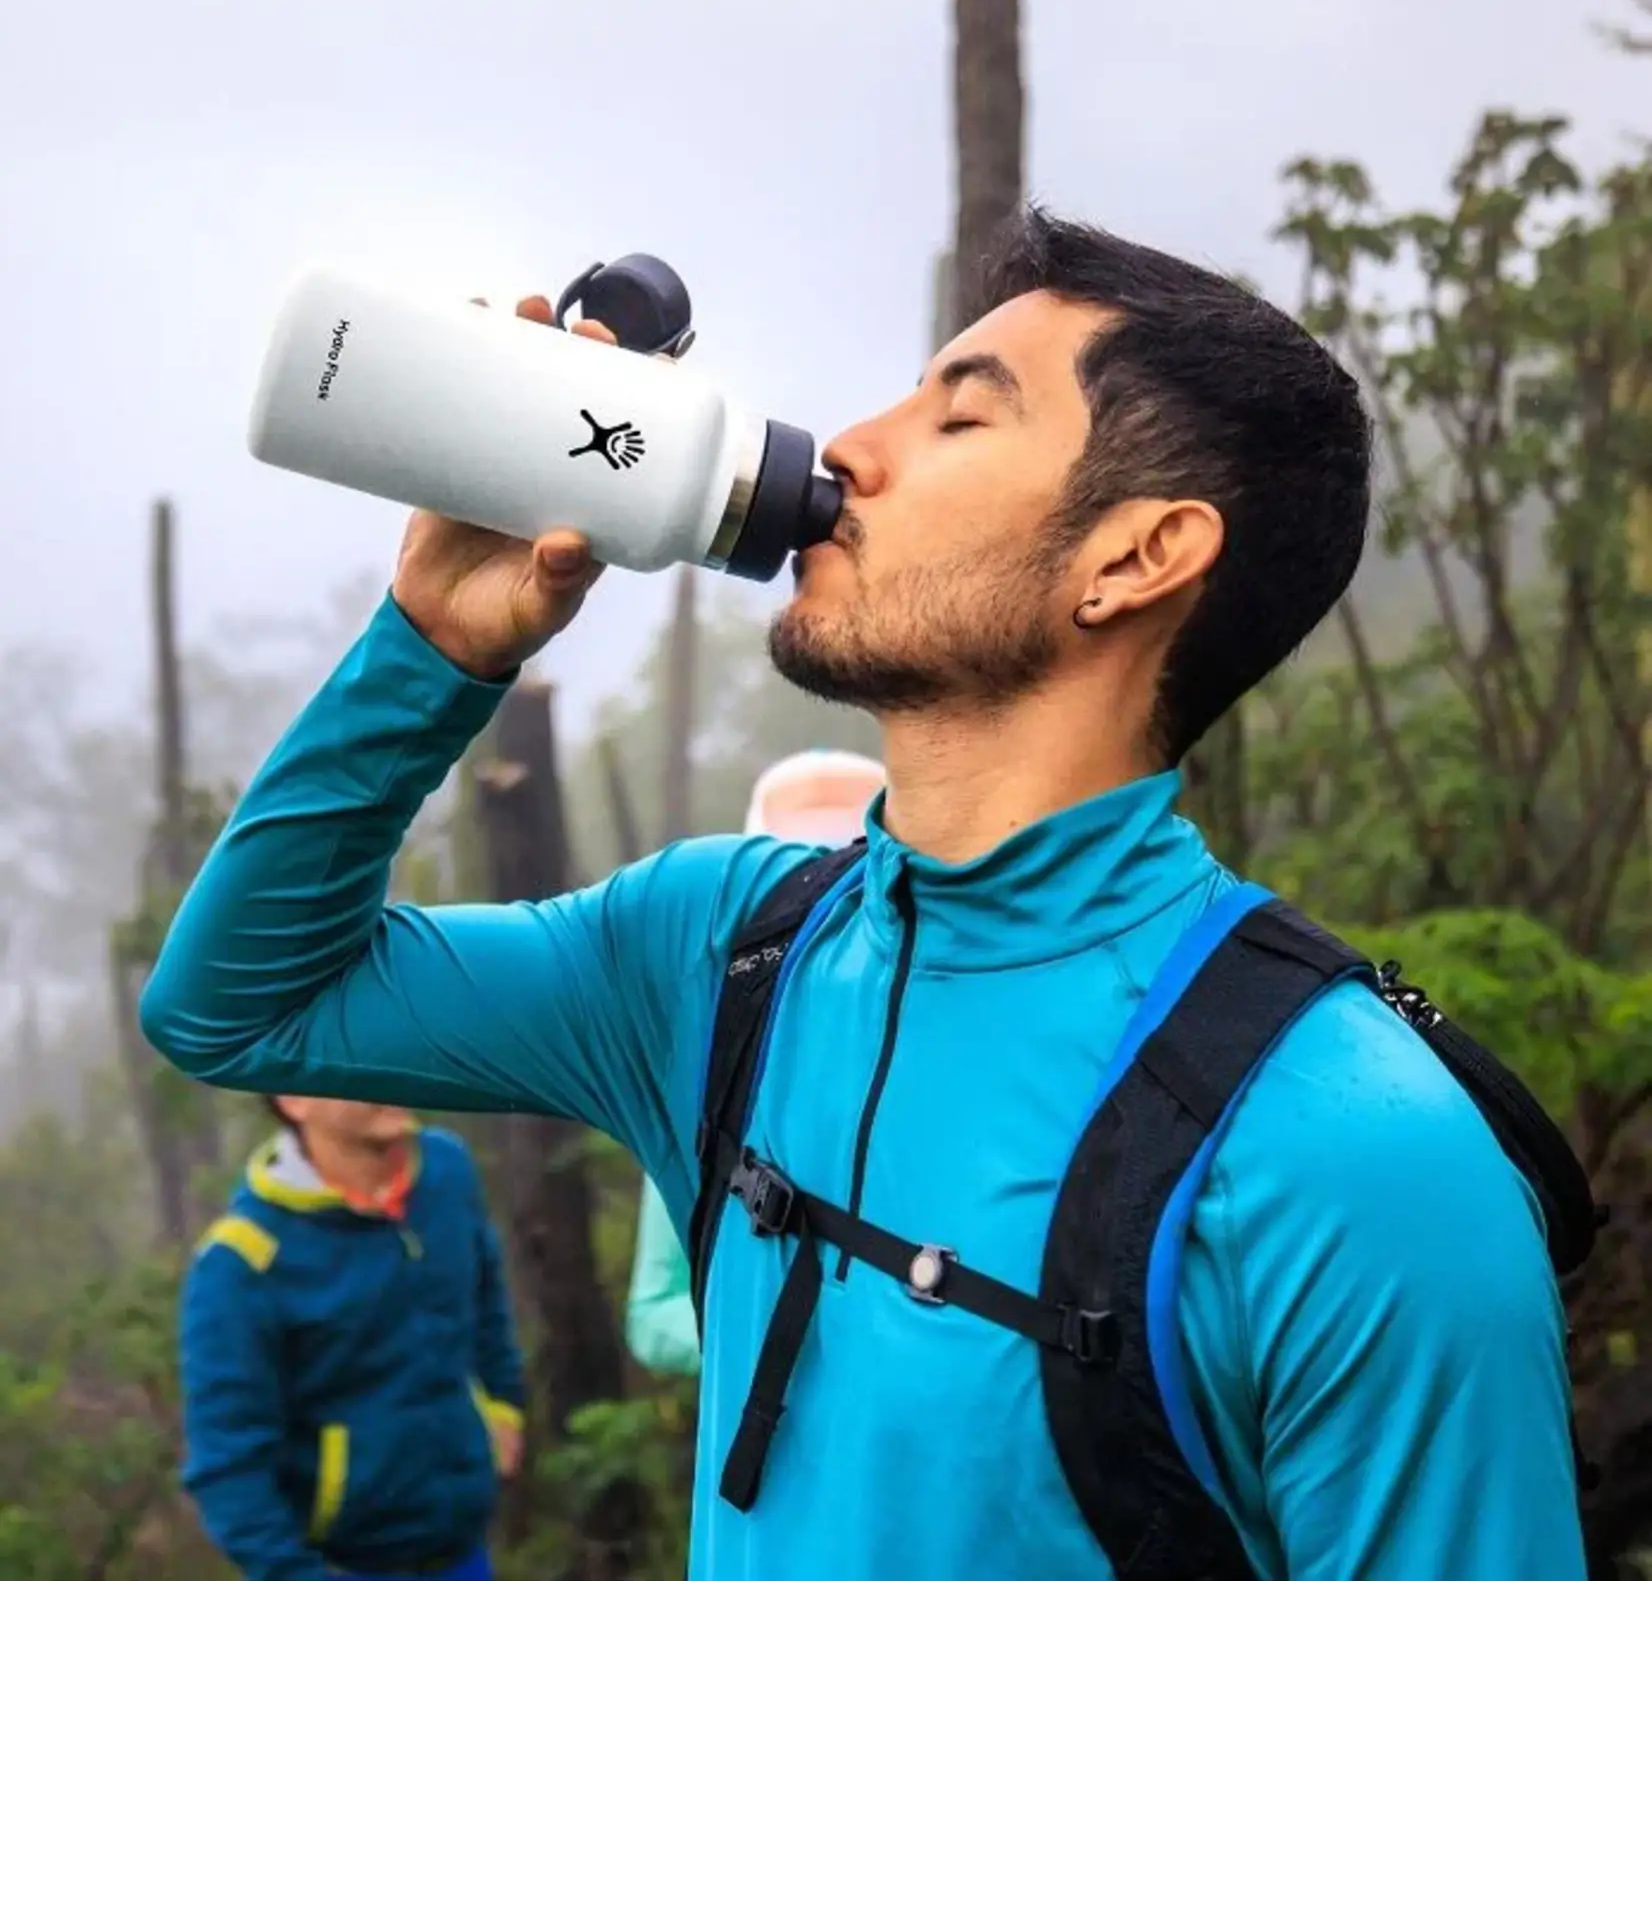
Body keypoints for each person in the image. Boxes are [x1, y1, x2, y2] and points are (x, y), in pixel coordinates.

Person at [143, 211, 1587, 1582]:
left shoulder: (1359, 1158)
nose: (849, 449)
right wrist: (431, 650)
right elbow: (243, 1007)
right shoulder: (723, 951)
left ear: (1138, 556)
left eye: (961, 413)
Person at [178, 1092, 526, 1582]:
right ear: (293, 1098)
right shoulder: (242, 1261)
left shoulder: (446, 1170)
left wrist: (503, 1403)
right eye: (355, 1061)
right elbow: (227, 1467)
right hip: (346, 1564)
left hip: (462, 1550)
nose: (388, 1073)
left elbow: (487, 1297)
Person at [624, 749, 886, 1378]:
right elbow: (653, 1313)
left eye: (849, 871)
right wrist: (797, 1342)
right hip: (764, 1451)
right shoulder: (716, 1076)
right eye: (802, 877)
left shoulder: (941, 1050)